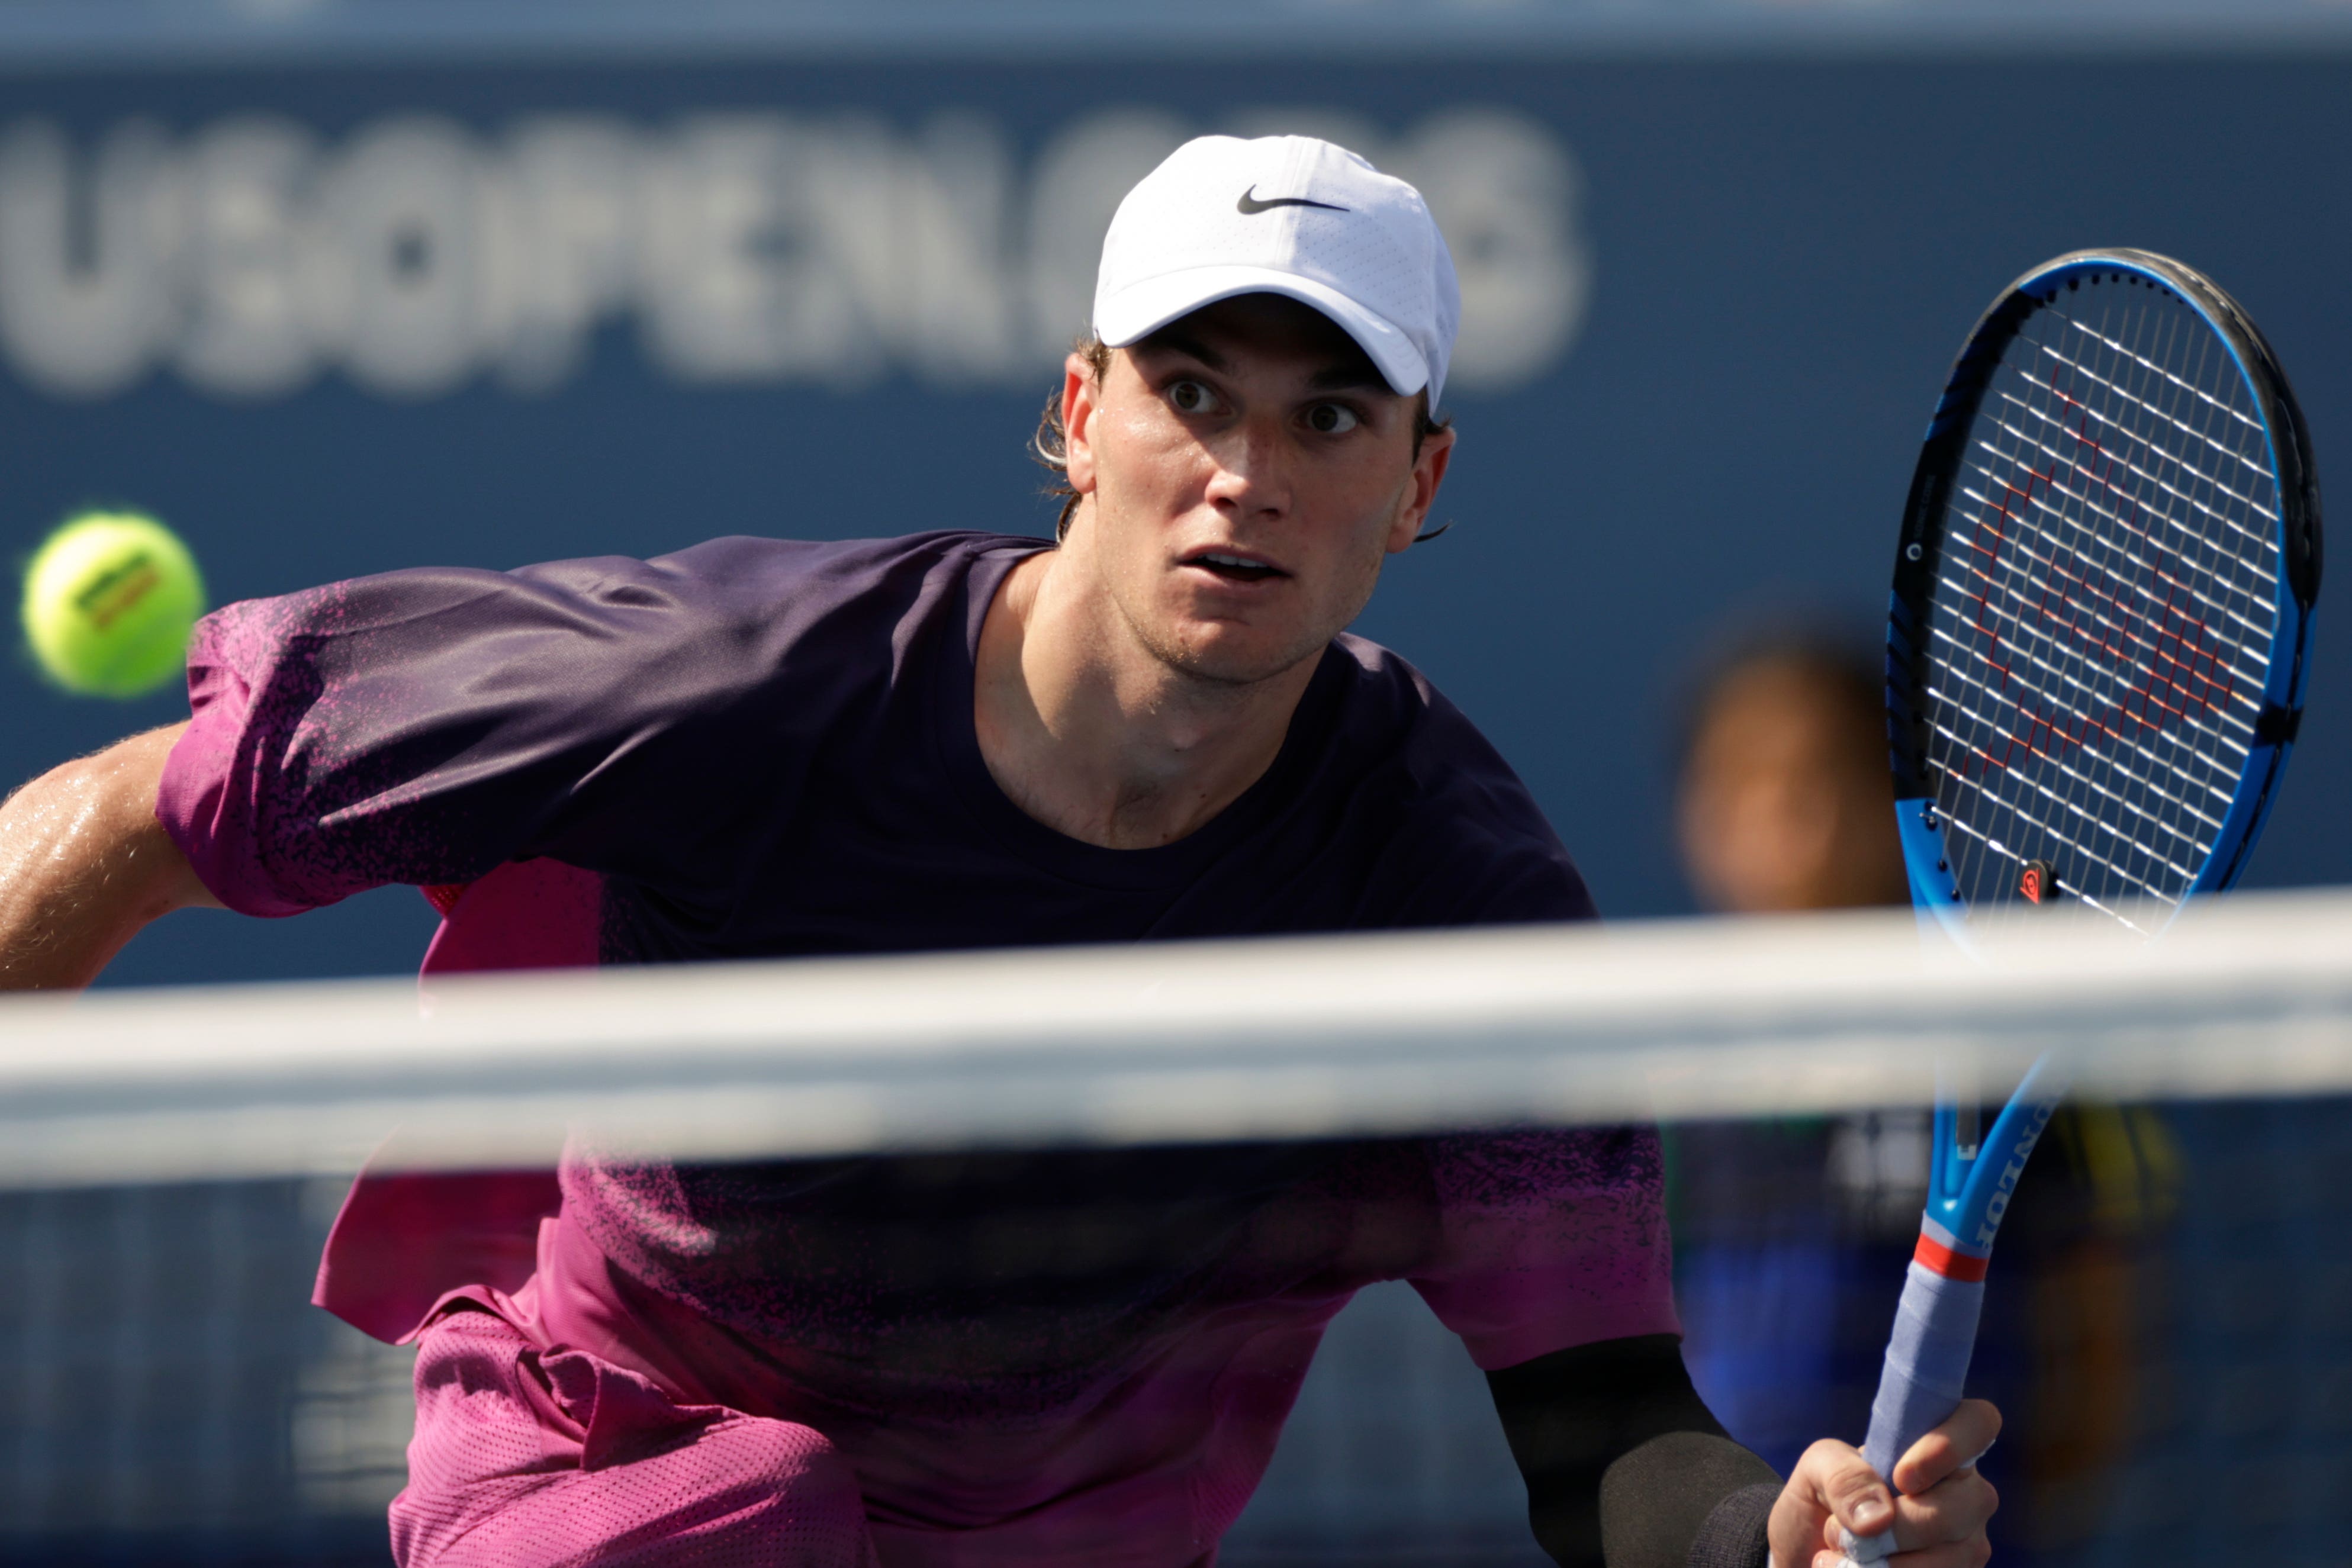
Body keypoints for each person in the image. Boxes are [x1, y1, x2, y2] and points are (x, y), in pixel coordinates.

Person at [0, 136, 1997, 1568]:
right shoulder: (735, 692)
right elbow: (131, 819)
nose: (1242, 474)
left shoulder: (1454, 896)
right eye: (1189, 394)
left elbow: (1599, 1436)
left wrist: (1764, 1532)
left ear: (1421, 479)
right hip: (616, 1479)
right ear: (1075, 412)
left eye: (1325, 419)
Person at [1671, 633, 2169, 1563]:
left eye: (1819, 775)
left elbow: (2099, 1336)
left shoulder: (2012, 1054)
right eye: (1739, 783)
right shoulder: (1659, 1074)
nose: (1783, 817)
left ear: (1900, 805)